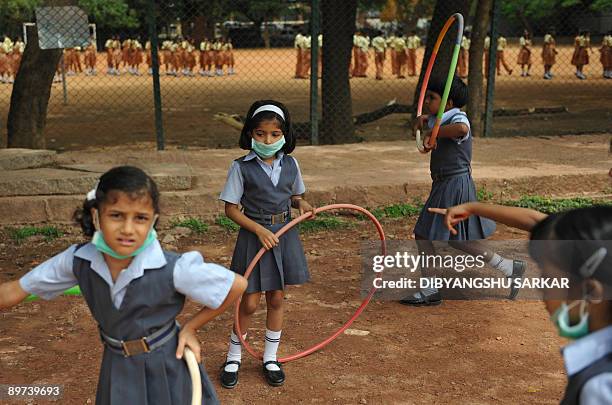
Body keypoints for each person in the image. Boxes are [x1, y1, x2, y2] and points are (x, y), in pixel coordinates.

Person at [0, 166, 247, 404]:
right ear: (96, 215)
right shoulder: (78, 261)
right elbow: (16, 289)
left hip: (167, 363)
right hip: (117, 363)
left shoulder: (174, 267)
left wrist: (191, 327)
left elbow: (236, 285)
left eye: (140, 218)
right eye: (116, 215)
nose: (128, 229)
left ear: (153, 221)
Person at [431, 202, 612, 404]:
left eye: (549, 280)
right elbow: (542, 223)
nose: (540, 288)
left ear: (590, 291)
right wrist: (473, 208)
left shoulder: (600, 386)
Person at [399, 77, 525, 306]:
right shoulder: (438, 118)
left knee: (424, 234)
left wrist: (431, 130)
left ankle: (430, 289)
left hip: (454, 185)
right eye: (427, 97)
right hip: (446, 184)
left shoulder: (457, 117)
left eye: (432, 98)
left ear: (448, 103)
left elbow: (461, 128)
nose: (427, 101)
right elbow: (432, 125)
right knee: (457, 239)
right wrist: (425, 124)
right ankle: (508, 267)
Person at [219, 100, 316, 388]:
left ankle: (270, 357)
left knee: (276, 297)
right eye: (260, 134)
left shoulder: (292, 163)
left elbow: (295, 195)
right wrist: (259, 230)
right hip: (255, 236)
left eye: (275, 134)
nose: (268, 140)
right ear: (250, 134)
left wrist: (303, 203)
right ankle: (234, 356)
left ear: (285, 135)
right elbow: (231, 209)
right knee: (249, 301)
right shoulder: (241, 168)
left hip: (284, 234)